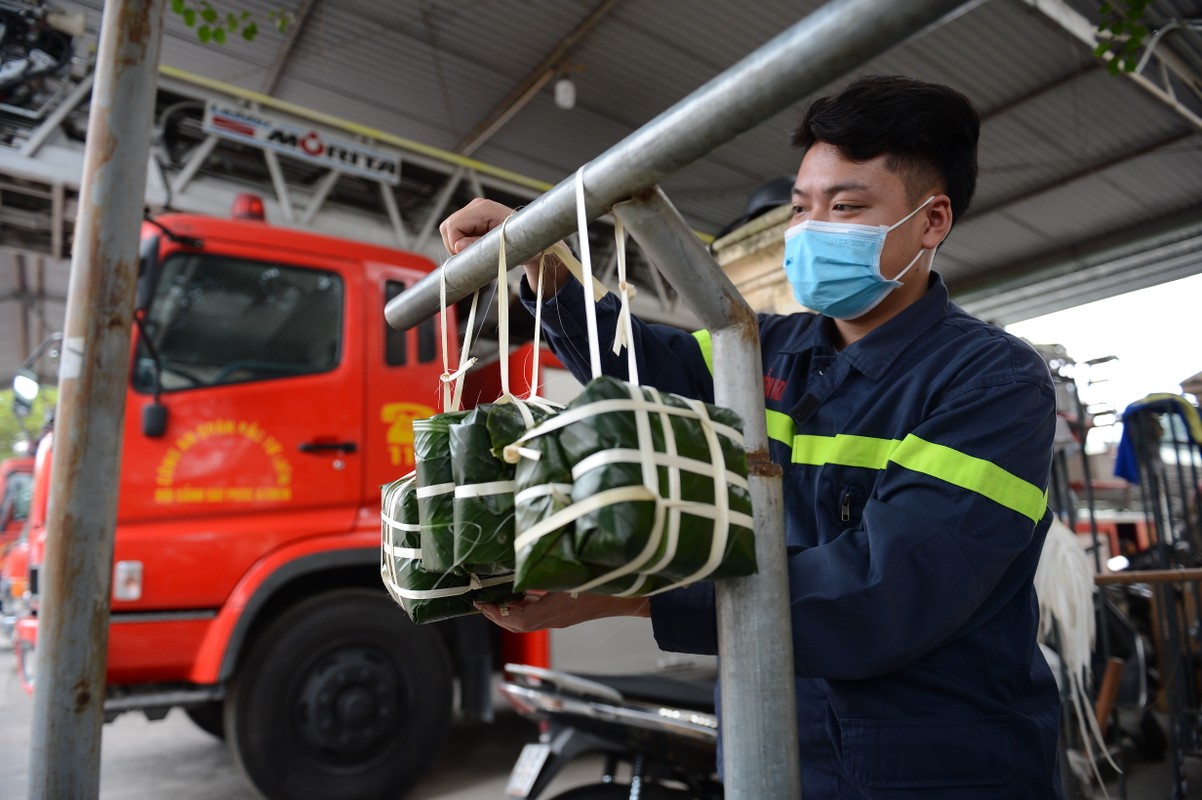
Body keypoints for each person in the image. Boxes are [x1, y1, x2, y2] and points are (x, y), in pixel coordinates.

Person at [440, 75, 1064, 799]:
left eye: (847, 207)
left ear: (932, 221)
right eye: (803, 207)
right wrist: (547, 279)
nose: (812, 228)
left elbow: (883, 593)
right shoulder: (759, 348)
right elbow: (642, 370)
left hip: (938, 764)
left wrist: (632, 596)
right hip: (779, 742)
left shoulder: (990, 382)